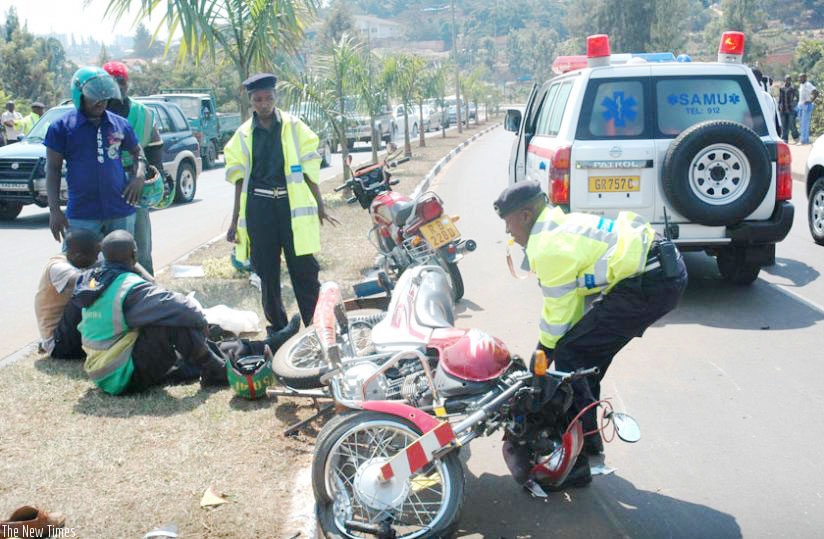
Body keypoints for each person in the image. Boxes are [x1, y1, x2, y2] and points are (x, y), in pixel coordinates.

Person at [494, 181, 688, 487]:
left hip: (650, 282)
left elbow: (560, 313)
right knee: (582, 360)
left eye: (508, 223)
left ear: (526, 215)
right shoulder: (559, 223)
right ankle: (588, 441)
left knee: (573, 358)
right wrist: (547, 354)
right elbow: (571, 308)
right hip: (661, 271)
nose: (507, 232)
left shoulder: (547, 245)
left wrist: (541, 357)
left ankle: (579, 463)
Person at [224, 73, 338, 335]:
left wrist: (320, 204)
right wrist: (234, 222)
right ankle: (278, 328)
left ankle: (315, 326)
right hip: (259, 209)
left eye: (269, 98)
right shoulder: (242, 136)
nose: (263, 104)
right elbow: (239, 182)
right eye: (258, 99)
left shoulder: (295, 127)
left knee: (304, 270)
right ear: (251, 101)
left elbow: (309, 171)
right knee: (267, 272)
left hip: (290, 208)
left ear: (276, 98)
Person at [44, 66, 145, 244]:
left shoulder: (120, 124)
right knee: (79, 268)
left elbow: (138, 152)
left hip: (120, 211)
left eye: (104, 96)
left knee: (122, 264)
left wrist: (139, 176)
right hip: (82, 215)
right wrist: (54, 211)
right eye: (94, 96)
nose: (101, 102)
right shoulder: (60, 128)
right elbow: (53, 169)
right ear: (79, 95)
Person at [103, 61, 164, 275]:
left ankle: (146, 292)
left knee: (139, 243)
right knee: (109, 244)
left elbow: (155, 147)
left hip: (135, 181)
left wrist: (157, 177)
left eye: (121, 82)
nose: (117, 86)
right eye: (111, 82)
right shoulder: (95, 111)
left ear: (127, 84)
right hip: (105, 182)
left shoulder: (142, 113)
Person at [34, 229, 99, 359]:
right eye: (95, 255)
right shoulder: (59, 268)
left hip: (69, 332)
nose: (97, 258)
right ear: (78, 255)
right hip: (59, 344)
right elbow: (86, 285)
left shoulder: (82, 257)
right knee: (89, 295)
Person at [779, 76, 800, 143]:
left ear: (791, 80)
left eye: (789, 79)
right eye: (787, 79)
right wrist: (779, 105)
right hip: (783, 110)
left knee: (792, 125)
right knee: (784, 125)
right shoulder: (781, 88)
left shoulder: (793, 88)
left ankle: (796, 138)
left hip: (791, 109)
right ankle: (785, 139)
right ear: (784, 80)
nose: (788, 81)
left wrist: (794, 104)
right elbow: (780, 99)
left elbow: (798, 97)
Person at [798, 73, 817, 145]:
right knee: (801, 124)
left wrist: (810, 101)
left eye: (801, 78)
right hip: (801, 106)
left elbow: (816, 92)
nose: (800, 79)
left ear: (805, 78)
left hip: (807, 106)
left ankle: (804, 140)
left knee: (804, 124)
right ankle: (804, 139)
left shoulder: (808, 84)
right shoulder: (801, 85)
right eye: (799, 78)